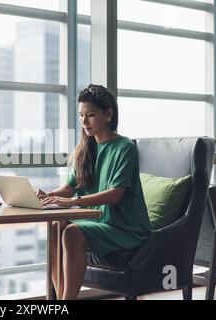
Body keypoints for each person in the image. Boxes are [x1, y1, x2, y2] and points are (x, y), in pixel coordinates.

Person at [36, 84, 152, 300]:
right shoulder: (85, 149)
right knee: (55, 227)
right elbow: (70, 188)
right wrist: (50, 195)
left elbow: (115, 193)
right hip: (98, 224)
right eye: (81, 115)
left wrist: (73, 203)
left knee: (71, 232)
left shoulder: (125, 148)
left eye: (90, 115)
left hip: (125, 228)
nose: (84, 122)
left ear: (108, 114)